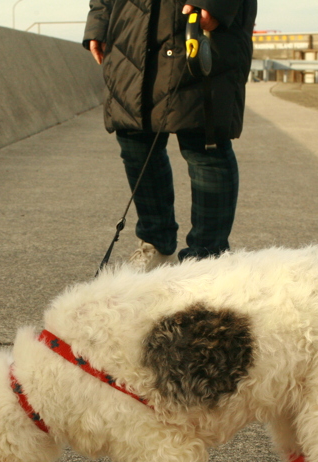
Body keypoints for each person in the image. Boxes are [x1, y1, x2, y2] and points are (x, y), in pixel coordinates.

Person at [84, 0, 257, 269]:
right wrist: (99, 20)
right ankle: (156, 245)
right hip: (129, 27)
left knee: (204, 142)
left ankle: (207, 257)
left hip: (195, 25)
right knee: (134, 138)